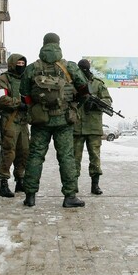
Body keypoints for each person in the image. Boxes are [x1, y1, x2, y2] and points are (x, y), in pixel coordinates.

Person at [19, 32, 89, 208]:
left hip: (40, 121)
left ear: (43, 45)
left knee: (35, 156)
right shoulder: (69, 67)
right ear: (58, 45)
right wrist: (74, 105)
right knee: (66, 157)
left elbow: (24, 94)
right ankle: (70, 196)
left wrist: (35, 107)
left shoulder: (32, 68)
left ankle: (30, 196)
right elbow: (84, 90)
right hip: (63, 120)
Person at [73, 59, 112, 195]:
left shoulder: (98, 84)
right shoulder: (72, 82)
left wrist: (96, 103)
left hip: (93, 126)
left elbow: (108, 100)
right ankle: (73, 184)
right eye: (81, 69)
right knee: (74, 158)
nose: (84, 71)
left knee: (95, 157)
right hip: (76, 126)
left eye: (85, 68)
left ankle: (95, 185)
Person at [0, 53, 30, 197]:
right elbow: (1, 98)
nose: (20, 67)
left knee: (24, 151)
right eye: (18, 64)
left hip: (23, 121)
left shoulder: (26, 80)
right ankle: (3, 183)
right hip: (9, 120)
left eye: (23, 64)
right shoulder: (3, 79)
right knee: (8, 152)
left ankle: (20, 180)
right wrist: (18, 103)